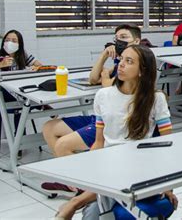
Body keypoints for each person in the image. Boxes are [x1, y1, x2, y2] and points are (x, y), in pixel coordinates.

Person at [55, 45, 177, 219]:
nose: (121, 65)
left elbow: (168, 145)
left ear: (142, 71)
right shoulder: (103, 95)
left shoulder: (156, 99)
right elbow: (99, 141)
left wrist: (167, 186)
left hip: (141, 167)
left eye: (129, 61)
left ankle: (75, 202)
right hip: (109, 163)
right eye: (121, 59)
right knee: (93, 212)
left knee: (95, 210)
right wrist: (90, 173)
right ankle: (84, 200)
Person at [41, 24, 142, 195]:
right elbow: (93, 78)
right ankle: (72, 181)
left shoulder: (139, 63)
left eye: (124, 37)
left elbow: (111, 86)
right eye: (116, 38)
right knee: (49, 127)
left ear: (137, 41)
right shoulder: (119, 61)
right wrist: (103, 56)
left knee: (62, 145)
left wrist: (105, 76)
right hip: (100, 117)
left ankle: (86, 185)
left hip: (115, 123)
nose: (119, 41)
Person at [0, 30, 42, 130]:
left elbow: (39, 65)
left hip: (18, 93)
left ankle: (18, 140)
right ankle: (40, 105)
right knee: (24, 103)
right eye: (7, 40)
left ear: (19, 44)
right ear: (3, 42)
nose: (10, 43)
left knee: (22, 105)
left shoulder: (22, 54)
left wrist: (35, 67)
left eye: (14, 41)